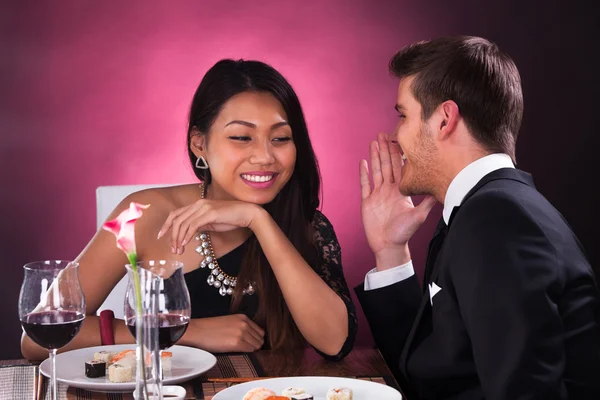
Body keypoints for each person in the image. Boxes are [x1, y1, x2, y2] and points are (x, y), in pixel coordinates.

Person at [21, 59, 357, 361]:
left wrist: (258, 221)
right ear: (200, 144)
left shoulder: (308, 226)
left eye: (281, 138)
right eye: (242, 137)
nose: (265, 157)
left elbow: (335, 342)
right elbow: (36, 341)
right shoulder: (140, 212)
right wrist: (188, 331)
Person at [356, 36, 600, 399]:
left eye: (403, 116)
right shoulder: (492, 208)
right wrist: (391, 251)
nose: (395, 136)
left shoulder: (496, 218)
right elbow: (433, 374)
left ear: (444, 120)